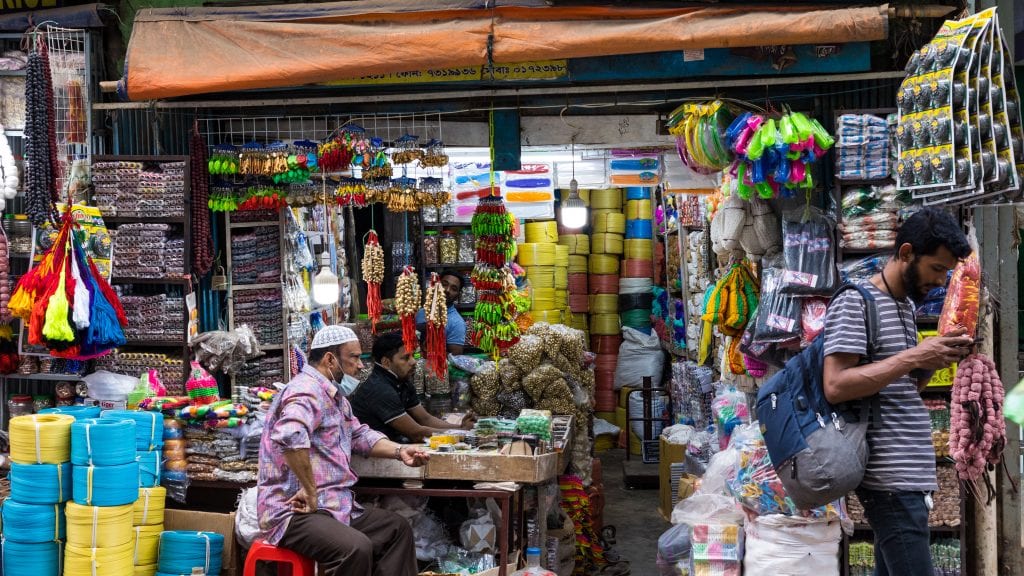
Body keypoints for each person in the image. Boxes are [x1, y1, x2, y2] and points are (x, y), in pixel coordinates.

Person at [823, 207, 973, 576]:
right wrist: (914, 355)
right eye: (937, 268)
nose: (941, 281)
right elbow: (836, 384)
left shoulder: (904, 305)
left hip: (908, 474)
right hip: (889, 479)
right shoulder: (855, 302)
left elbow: (900, 386)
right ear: (906, 253)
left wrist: (928, 363)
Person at [257, 325, 430, 576]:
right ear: (330, 359)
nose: (360, 366)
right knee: (355, 548)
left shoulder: (335, 397)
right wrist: (309, 489)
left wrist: (400, 450)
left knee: (396, 529)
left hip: (334, 505)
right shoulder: (306, 391)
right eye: (355, 357)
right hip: (293, 510)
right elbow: (290, 435)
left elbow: (359, 434)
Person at [350, 331, 473, 442]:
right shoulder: (379, 389)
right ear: (386, 362)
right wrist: (462, 433)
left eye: (413, 355)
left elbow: (425, 419)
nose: (413, 362)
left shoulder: (401, 380)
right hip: (374, 457)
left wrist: (460, 427)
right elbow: (416, 433)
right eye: (405, 358)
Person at [415, 270, 467, 354]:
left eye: (454, 289)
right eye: (444, 284)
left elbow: (455, 358)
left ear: (458, 295)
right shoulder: (421, 312)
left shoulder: (457, 323)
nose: (447, 290)